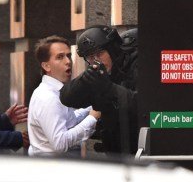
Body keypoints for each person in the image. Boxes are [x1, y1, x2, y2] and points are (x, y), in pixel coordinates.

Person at [59, 25, 138, 156]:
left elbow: (142, 105)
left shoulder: (135, 65)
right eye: (90, 57)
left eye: (100, 53)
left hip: (143, 152)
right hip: (116, 153)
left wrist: (109, 88)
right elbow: (66, 97)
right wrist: (85, 78)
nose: (96, 60)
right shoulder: (100, 73)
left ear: (112, 50)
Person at [27, 35, 101, 157]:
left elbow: (67, 120)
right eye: (60, 57)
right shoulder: (48, 97)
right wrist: (92, 118)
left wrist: (90, 110)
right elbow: (60, 144)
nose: (68, 61)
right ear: (46, 66)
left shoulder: (55, 91)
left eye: (68, 55)